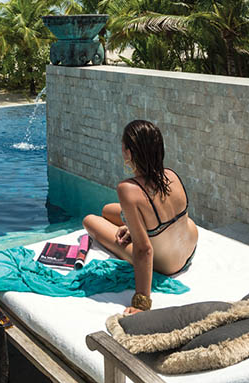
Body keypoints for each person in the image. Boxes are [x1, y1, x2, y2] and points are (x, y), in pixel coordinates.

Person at [82, 120, 199, 316]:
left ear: (128, 152)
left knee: (90, 220)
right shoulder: (171, 174)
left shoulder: (128, 189)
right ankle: (134, 225)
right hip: (188, 250)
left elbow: (144, 250)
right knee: (107, 210)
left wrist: (141, 302)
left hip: (166, 264)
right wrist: (134, 228)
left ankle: (135, 227)